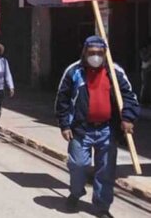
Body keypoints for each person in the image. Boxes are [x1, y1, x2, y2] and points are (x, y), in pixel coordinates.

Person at [55, 36, 139, 218]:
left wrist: (128, 118)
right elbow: (62, 100)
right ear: (85, 52)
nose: (96, 56)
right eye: (92, 53)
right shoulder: (73, 72)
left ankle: (102, 207)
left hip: (107, 130)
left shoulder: (115, 72)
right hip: (80, 129)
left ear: (105, 53)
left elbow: (130, 97)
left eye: (99, 53)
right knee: (78, 165)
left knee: (106, 170)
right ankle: (76, 192)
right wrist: (64, 124)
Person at [139, 39, 151, 104]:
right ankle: (143, 101)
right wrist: (149, 52)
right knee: (145, 86)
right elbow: (144, 58)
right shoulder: (143, 51)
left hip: (149, 69)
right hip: (145, 69)